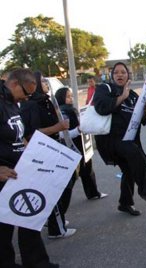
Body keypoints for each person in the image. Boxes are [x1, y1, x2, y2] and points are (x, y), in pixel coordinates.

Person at [0, 68, 59, 267]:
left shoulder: (13, 103)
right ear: (15, 84)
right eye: (25, 93)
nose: (26, 99)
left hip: (18, 170)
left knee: (30, 217)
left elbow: (19, 137)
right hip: (3, 173)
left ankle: (37, 262)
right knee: (2, 230)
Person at [93, 62, 146, 216]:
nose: (120, 75)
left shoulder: (134, 95)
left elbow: (139, 119)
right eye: (116, 72)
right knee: (134, 154)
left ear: (128, 75)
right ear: (112, 75)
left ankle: (125, 203)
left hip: (129, 139)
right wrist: (122, 97)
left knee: (129, 171)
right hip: (111, 140)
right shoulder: (104, 89)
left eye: (123, 72)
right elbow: (101, 108)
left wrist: (144, 110)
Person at [20, 71, 76, 239]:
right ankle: (56, 227)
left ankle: (54, 218)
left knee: (67, 181)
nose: (46, 83)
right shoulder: (31, 105)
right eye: (42, 81)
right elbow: (30, 133)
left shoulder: (46, 101)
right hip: (43, 150)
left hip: (55, 147)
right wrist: (56, 128)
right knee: (54, 187)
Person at [55, 86, 108, 200]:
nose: (71, 99)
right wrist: (77, 130)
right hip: (72, 148)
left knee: (88, 169)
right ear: (61, 98)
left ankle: (93, 193)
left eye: (71, 96)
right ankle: (60, 201)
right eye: (68, 96)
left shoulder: (71, 110)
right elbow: (62, 134)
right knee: (72, 176)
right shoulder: (62, 113)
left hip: (82, 145)